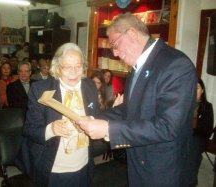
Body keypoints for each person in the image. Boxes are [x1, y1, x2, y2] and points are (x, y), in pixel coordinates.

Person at [76, 12, 197, 187]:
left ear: (132, 33)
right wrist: (94, 119)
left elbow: (168, 127)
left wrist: (109, 129)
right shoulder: (138, 66)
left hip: (162, 170)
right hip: (139, 161)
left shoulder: (176, 64)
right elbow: (129, 109)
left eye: (115, 44)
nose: (115, 53)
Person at [23, 43, 100, 187]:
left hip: (84, 163)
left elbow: (97, 116)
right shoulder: (40, 89)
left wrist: (93, 120)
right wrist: (51, 129)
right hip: (54, 167)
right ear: (57, 67)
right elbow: (29, 129)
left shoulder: (90, 86)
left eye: (78, 66)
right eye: (67, 67)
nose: (74, 72)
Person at [182, 77, 214, 187]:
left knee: (192, 146)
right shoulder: (184, 104)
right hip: (184, 136)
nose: (194, 90)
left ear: (202, 90)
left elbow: (207, 129)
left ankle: (190, 181)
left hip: (199, 138)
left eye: (197, 88)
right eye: (192, 88)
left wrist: (191, 130)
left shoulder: (207, 106)